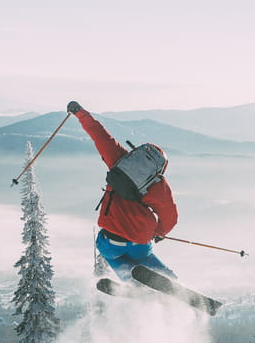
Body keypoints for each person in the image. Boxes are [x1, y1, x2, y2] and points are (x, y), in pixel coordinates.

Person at [67, 100, 178, 281]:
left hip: (112, 241)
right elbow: (170, 216)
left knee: (110, 253)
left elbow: (99, 135)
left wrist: (79, 112)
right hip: (140, 241)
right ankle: (172, 281)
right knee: (145, 257)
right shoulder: (159, 185)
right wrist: (159, 233)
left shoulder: (119, 160)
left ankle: (130, 282)